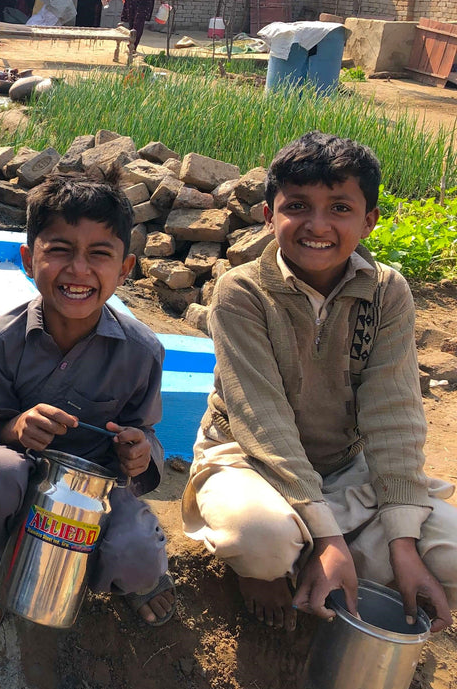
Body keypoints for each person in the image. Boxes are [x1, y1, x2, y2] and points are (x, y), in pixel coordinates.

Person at [182, 132, 457, 633]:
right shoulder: (241, 292)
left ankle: (318, 560)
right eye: (298, 206)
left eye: (340, 208)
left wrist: (403, 543)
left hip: (345, 467)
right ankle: (282, 563)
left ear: (369, 221)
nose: (318, 225)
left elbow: (394, 414)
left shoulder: (386, 292)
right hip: (248, 458)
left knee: (448, 553)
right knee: (258, 539)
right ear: (269, 215)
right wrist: (330, 537)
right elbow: (262, 421)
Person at [0, 172, 176, 632]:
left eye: (100, 254)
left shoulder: (143, 351)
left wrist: (137, 452)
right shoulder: (2, 339)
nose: (78, 270)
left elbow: (147, 435)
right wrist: (17, 428)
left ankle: (128, 570)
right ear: (26, 259)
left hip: (97, 495)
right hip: (21, 478)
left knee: (136, 558)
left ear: (126, 268)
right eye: (59, 250)